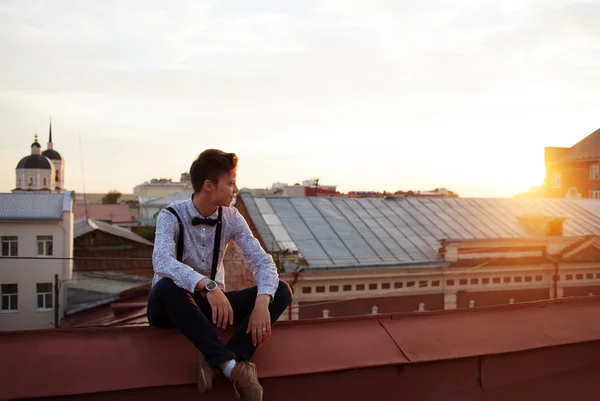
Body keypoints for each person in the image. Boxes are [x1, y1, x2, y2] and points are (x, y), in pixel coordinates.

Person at [147, 149, 292, 401]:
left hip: (210, 309)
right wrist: (207, 285)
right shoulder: (170, 215)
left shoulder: (232, 217)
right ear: (209, 186)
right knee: (166, 287)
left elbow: (262, 261)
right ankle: (235, 370)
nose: (236, 188)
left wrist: (261, 302)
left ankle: (224, 361)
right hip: (171, 307)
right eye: (231, 182)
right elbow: (161, 260)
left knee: (280, 290)